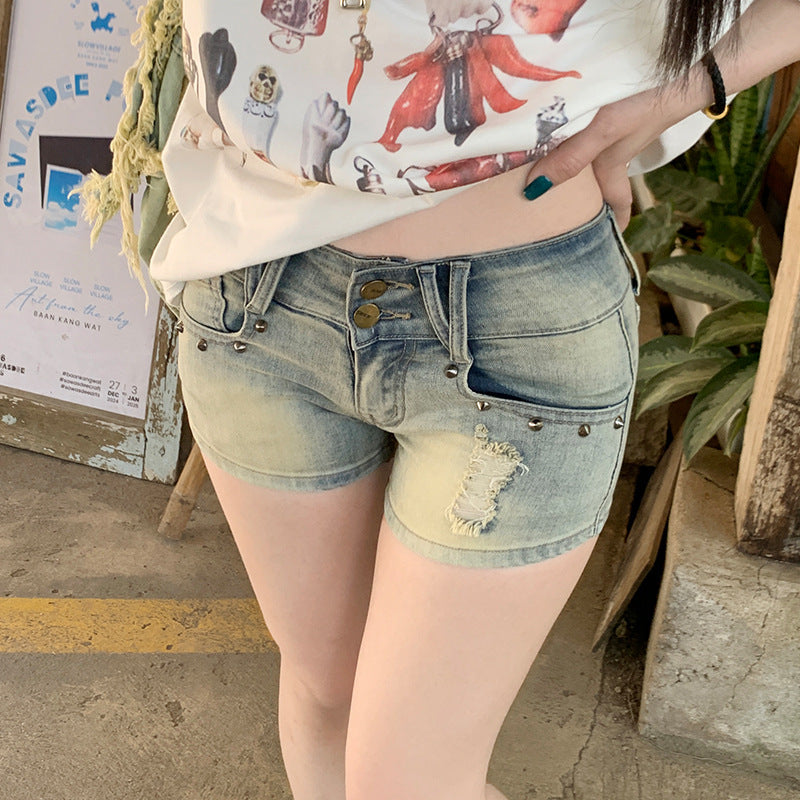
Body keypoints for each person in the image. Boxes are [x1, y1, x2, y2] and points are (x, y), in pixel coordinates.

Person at [106, 1, 800, 798]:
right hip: (258, 286)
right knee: (327, 690)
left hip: (520, 327)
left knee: (407, 780)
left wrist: (701, 78)